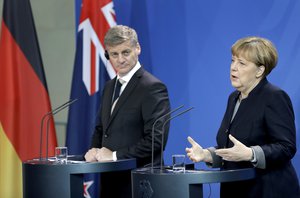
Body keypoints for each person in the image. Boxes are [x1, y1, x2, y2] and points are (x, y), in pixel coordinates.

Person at [186, 36, 300, 198]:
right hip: (237, 189)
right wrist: (207, 155)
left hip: (268, 191)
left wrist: (251, 154)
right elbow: (232, 148)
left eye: (242, 63)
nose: (233, 68)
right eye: (233, 61)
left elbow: (286, 147)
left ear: (260, 70)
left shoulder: (274, 97)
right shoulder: (233, 98)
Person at [84, 25, 171, 198]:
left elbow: (156, 140)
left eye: (126, 52)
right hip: (109, 183)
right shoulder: (109, 86)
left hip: (140, 184)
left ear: (137, 48)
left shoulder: (152, 87)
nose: (120, 60)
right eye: (114, 54)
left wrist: (115, 156)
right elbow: (101, 128)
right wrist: (94, 149)